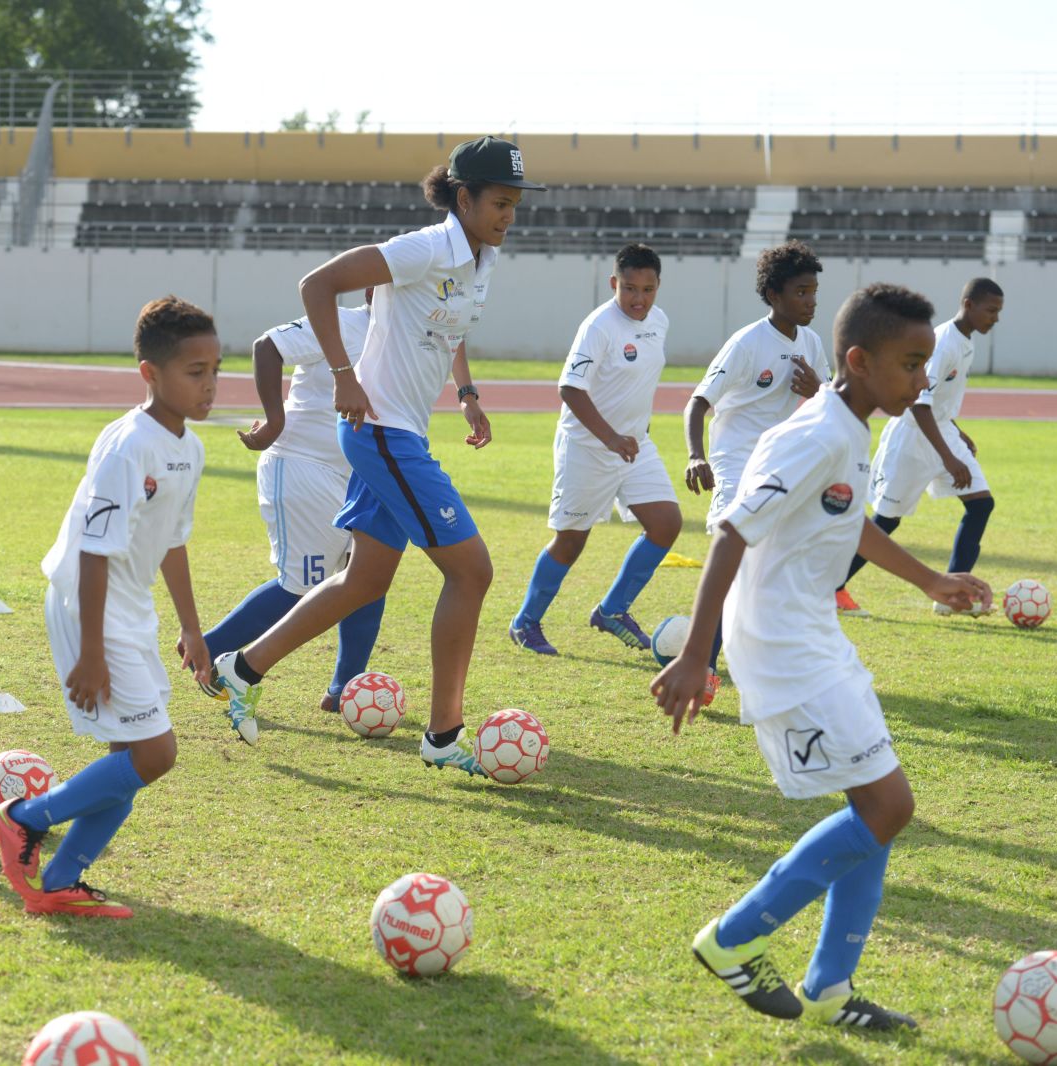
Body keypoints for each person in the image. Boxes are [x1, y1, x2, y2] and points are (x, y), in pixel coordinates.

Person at [652, 283, 991, 1031]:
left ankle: (832, 987)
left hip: (814, 635)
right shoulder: (818, 435)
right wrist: (695, 658)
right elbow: (731, 532)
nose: (922, 380)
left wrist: (932, 578)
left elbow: (847, 521)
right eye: (910, 364)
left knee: (875, 805)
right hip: (781, 641)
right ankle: (732, 939)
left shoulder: (847, 426)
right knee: (888, 804)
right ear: (861, 361)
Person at [206, 135, 543, 775]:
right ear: (464, 198)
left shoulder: (481, 256)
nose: (509, 216)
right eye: (500, 202)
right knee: (471, 572)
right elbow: (319, 284)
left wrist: (467, 394)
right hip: (380, 431)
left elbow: (452, 330)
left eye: (515, 204)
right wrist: (342, 373)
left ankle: (243, 666)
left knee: (365, 580)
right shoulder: (426, 247)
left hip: (399, 433)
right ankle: (444, 737)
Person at [0, 296, 218, 919]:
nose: (210, 385)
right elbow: (93, 553)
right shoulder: (126, 448)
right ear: (151, 373)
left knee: (131, 755)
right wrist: (91, 651)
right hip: (90, 603)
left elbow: (172, 539)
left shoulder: (188, 447)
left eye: (215, 369)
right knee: (155, 753)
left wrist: (193, 628)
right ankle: (24, 818)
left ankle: (61, 881)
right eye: (194, 373)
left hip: (129, 604)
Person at [194, 290, 386, 716]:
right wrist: (275, 420)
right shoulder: (339, 321)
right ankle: (210, 651)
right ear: (373, 289)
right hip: (302, 465)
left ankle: (344, 691)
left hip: (358, 474)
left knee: (369, 577)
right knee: (301, 588)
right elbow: (268, 347)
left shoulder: (404, 336)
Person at [509, 244, 680, 656]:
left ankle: (613, 610)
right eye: (629, 289)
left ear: (659, 287)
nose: (639, 299)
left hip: (635, 445)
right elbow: (570, 387)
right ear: (613, 284)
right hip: (588, 448)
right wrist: (609, 438)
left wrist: (634, 430)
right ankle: (525, 623)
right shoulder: (599, 326)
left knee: (666, 524)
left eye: (648, 289)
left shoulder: (659, 321)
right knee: (570, 542)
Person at [682, 240, 829, 675]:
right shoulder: (746, 343)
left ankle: (756, 658)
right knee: (732, 563)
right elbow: (698, 403)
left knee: (771, 571)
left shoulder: (813, 344)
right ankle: (703, 667)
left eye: (813, 292)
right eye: (801, 292)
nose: (811, 301)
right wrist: (695, 455)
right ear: (774, 296)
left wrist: (818, 391)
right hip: (734, 462)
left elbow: (834, 406)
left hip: (779, 465)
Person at [836, 278, 1004, 618]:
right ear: (968, 305)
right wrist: (949, 456)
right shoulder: (944, 342)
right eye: (990, 311)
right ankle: (833, 588)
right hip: (914, 438)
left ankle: (954, 596)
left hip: (940, 431)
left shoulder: (965, 342)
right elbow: (919, 403)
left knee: (981, 504)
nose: (995, 318)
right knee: (886, 522)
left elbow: (938, 401)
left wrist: (957, 432)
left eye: (999, 312)